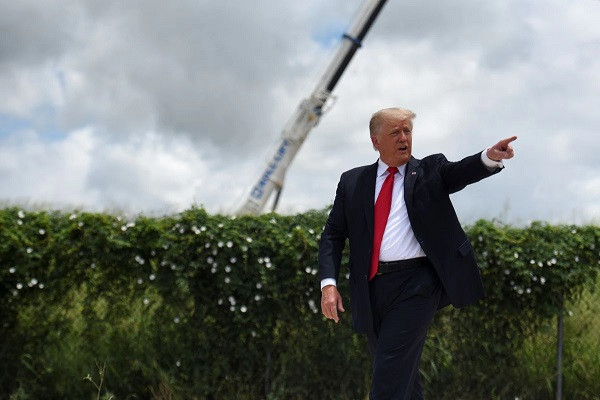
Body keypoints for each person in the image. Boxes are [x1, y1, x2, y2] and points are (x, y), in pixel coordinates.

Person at [318, 107, 516, 399]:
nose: (403, 138)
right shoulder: (352, 181)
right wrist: (328, 285)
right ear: (376, 141)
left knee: (388, 376)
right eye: (395, 132)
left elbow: (459, 171)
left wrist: (489, 157)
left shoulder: (429, 170)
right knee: (403, 381)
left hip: (417, 286)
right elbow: (332, 235)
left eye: (407, 131)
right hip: (370, 288)